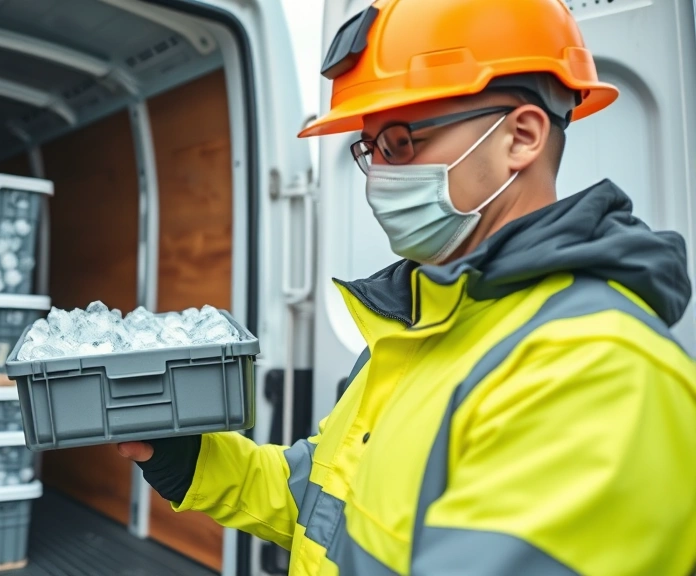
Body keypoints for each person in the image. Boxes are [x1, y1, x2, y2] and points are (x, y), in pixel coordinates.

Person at [118, 0, 696, 574]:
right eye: (370, 150)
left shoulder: (592, 372)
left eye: (398, 142)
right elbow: (324, 506)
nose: (379, 181)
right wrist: (188, 458)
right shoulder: (426, 324)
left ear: (521, 137)